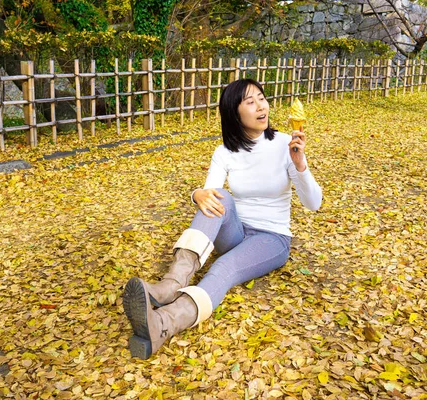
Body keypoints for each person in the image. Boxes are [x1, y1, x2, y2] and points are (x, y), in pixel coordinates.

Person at [122, 78, 323, 359]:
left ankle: (164, 324)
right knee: (219, 197)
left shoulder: (284, 145)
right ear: (234, 112)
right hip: (236, 232)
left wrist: (300, 165)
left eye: (261, 98)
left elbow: (313, 203)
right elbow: (211, 194)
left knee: (224, 268)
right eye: (250, 101)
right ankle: (170, 286)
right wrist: (197, 194)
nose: (261, 106)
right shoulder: (225, 151)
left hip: (272, 238)